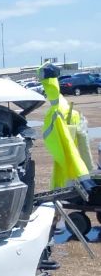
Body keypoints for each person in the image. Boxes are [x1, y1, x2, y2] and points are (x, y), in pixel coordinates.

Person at [37, 62, 96, 196]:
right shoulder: (60, 106)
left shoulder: (57, 108)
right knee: (69, 164)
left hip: (65, 151)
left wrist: (84, 177)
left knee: (70, 164)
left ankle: (81, 186)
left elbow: (68, 144)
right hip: (64, 150)